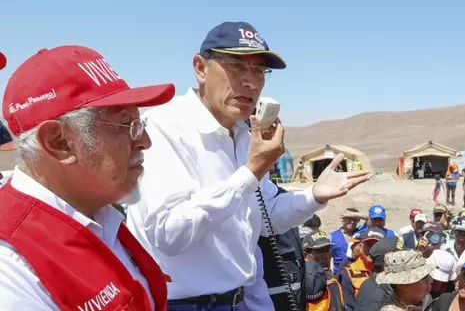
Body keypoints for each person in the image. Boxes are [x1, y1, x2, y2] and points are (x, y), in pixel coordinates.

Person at [125, 21, 370, 311]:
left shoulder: (243, 135)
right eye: (237, 67)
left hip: (243, 298)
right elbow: (168, 234)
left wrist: (313, 195)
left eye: (258, 70)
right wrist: (249, 173)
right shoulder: (166, 127)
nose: (251, 82)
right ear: (200, 68)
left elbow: (266, 217)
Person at [0, 45, 176, 310]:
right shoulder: (11, 265)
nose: (144, 142)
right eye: (127, 126)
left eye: (141, 124)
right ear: (60, 143)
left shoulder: (99, 216)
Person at [330, 208, 369, 273]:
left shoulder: (361, 232)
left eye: (355, 219)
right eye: (349, 218)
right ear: (343, 220)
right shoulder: (332, 236)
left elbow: (371, 218)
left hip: (359, 274)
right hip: (339, 275)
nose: (352, 221)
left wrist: (353, 214)